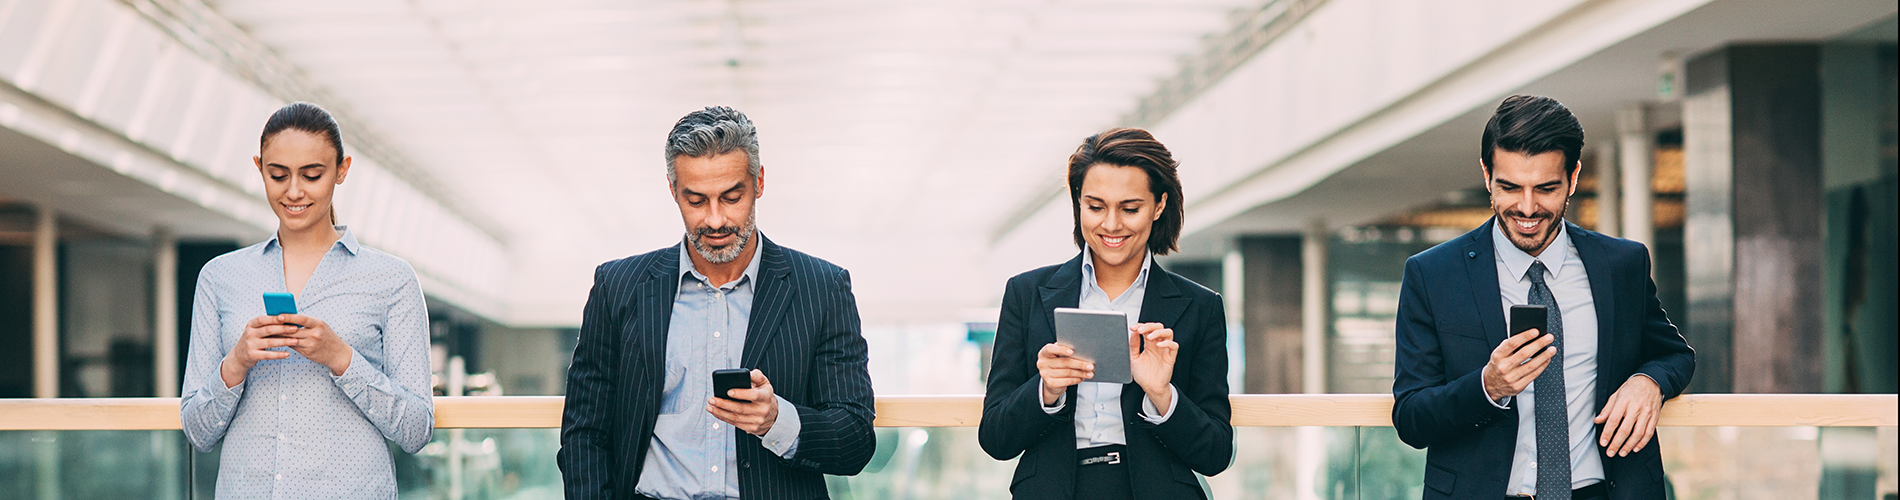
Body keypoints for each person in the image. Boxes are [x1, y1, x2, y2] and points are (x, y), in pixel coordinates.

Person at [558, 106, 876, 500]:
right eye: (695, 200)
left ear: (758, 182)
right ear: (673, 190)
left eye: (731, 197)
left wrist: (777, 420)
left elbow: (856, 439)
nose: (714, 219)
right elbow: (583, 432)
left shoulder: (823, 288)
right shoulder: (618, 286)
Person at [1391, 95, 1696, 500]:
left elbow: (1677, 354)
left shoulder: (1621, 264)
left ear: (1573, 178)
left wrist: (1648, 381)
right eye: (1510, 187)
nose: (1528, 207)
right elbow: (1411, 417)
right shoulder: (1433, 275)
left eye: (1547, 188)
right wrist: (1488, 385)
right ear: (1487, 175)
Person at [179, 102, 435, 498]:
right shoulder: (220, 277)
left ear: (342, 170)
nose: (293, 191)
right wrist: (236, 363)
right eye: (277, 175)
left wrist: (342, 359)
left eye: (312, 175)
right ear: (259, 167)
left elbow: (417, 429)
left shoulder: (392, 280)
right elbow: (197, 432)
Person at [979, 128, 1234, 500]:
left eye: (1130, 208)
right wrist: (1046, 389)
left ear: (1159, 205)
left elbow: (1216, 453)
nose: (1111, 225)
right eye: (1095, 207)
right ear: (1078, 202)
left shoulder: (1200, 306)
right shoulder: (1027, 294)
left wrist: (1162, 394)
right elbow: (996, 438)